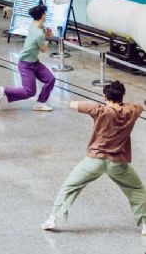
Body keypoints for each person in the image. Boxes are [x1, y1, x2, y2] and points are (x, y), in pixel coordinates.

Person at [42, 81, 146, 235]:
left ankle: (52, 219)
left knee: (69, 187)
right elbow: (141, 106)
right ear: (122, 96)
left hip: (94, 161)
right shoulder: (132, 111)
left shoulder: (99, 110)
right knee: (136, 189)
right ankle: (145, 224)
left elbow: (75, 104)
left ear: (105, 97)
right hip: (118, 164)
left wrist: (67, 101)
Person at [0, 4, 55, 111]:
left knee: (50, 79)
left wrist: (47, 33)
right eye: (45, 13)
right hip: (25, 65)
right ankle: (4, 91)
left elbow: (44, 30)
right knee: (30, 92)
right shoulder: (38, 33)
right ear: (43, 15)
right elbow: (44, 49)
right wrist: (47, 38)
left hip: (34, 62)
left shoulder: (35, 25)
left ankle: (40, 103)